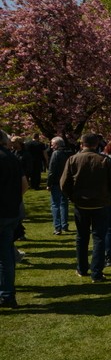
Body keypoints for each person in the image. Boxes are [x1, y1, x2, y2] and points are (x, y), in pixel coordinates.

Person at [60, 133, 111, 283]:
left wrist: (72, 197)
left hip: (82, 204)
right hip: (100, 204)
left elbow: (64, 184)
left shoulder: (73, 159)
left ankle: (82, 268)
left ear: (82, 144)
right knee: (99, 238)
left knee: (82, 237)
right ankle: (96, 272)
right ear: (97, 144)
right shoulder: (104, 160)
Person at [1, 129, 28, 308]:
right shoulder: (12, 158)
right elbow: (25, 185)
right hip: (10, 212)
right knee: (6, 256)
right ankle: (7, 294)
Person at [47, 136, 72, 235]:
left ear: (57, 144)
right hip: (66, 182)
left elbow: (52, 170)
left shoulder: (56, 153)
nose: (51, 146)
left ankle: (57, 227)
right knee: (64, 204)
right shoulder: (69, 152)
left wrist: (49, 183)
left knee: (55, 204)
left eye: (52, 144)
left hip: (57, 182)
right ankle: (64, 225)